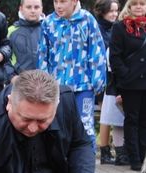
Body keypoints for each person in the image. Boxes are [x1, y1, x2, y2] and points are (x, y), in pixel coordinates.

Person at [38, 0, 107, 153]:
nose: (58, 5)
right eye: (56, 1)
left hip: (83, 85)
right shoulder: (48, 22)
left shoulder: (87, 20)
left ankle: (87, 164)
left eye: (63, 1)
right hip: (57, 86)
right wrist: (43, 81)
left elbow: (97, 51)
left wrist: (97, 81)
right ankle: (60, 162)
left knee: (85, 124)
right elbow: (43, 53)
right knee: (57, 124)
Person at [109, 0, 146, 171]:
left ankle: (145, 156)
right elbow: (115, 56)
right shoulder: (121, 27)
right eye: (135, 4)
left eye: (142, 3)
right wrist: (125, 75)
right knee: (132, 120)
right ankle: (134, 159)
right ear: (129, 6)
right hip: (131, 83)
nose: (139, 7)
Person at [94, 0, 128, 165]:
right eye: (111, 11)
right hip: (102, 75)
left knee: (111, 115)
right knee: (105, 116)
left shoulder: (116, 28)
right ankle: (104, 149)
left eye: (116, 10)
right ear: (102, 12)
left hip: (112, 74)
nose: (114, 14)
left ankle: (113, 147)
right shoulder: (97, 29)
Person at [7, 0, 44, 78]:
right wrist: (12, 77)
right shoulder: (11, 31)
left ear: (41, 9)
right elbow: (4, 58)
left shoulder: (49, 30)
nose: (33, 11)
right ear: (21, 9)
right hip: (20, 83)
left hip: (46, 83)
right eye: (28, 7)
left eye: (36, 7)